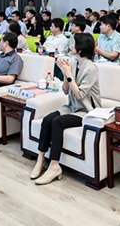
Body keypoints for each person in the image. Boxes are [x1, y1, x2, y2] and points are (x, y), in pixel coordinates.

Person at [31, 33, 101, 185]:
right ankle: (41, 159)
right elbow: (65, 90)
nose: (71, 46)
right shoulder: (74, 63)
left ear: (80, 48)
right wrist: (65, 74)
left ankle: (54, 166)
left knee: (57, 122)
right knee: (47, 120)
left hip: (86, 111)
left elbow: (80, 95)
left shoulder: (91, 69)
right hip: (72, 107)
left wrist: (69, 74)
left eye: (73, 43)